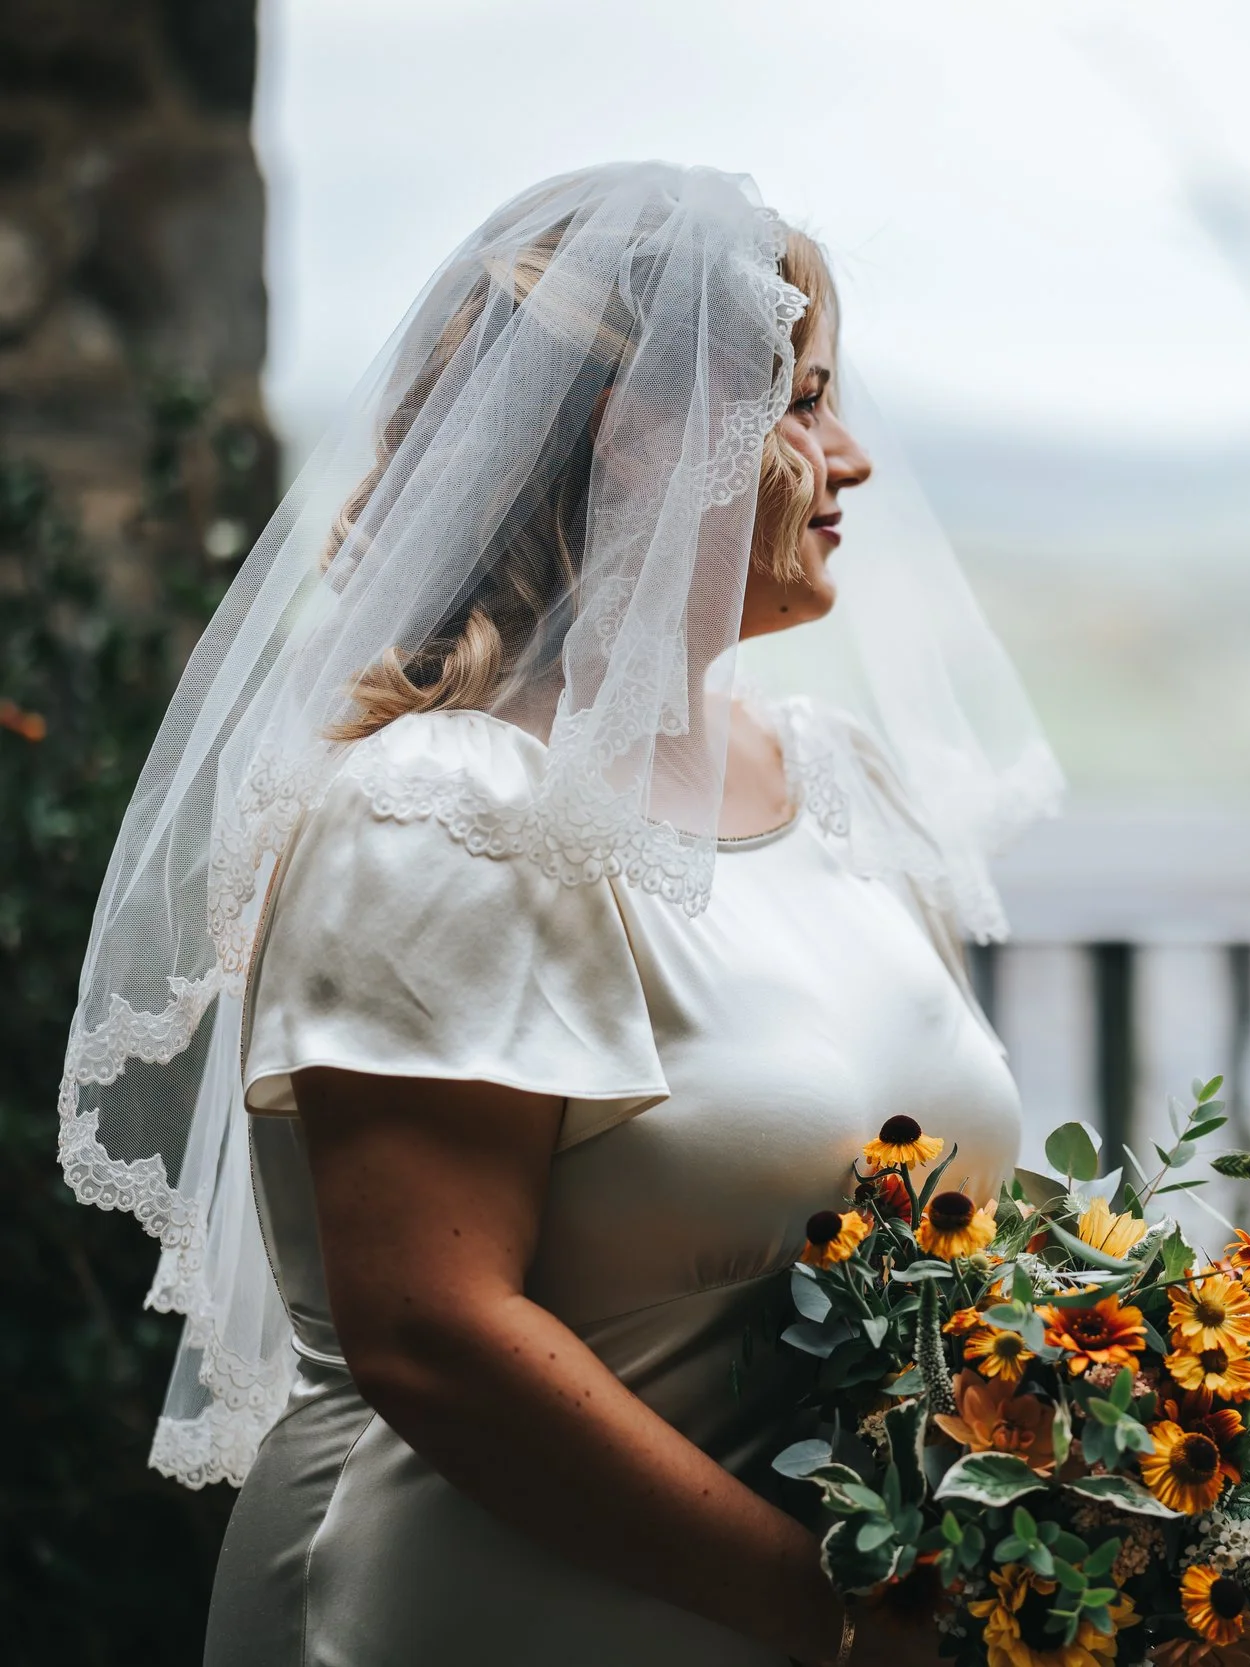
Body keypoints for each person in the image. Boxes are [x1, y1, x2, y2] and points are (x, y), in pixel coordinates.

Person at [54, 162, 1062, 1665]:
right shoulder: (443, 811)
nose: (849, 459)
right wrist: (833, 1613)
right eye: (799, 402)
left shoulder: (837, 784)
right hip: (486, 1609)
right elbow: (434, 1335)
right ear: (646, 438)